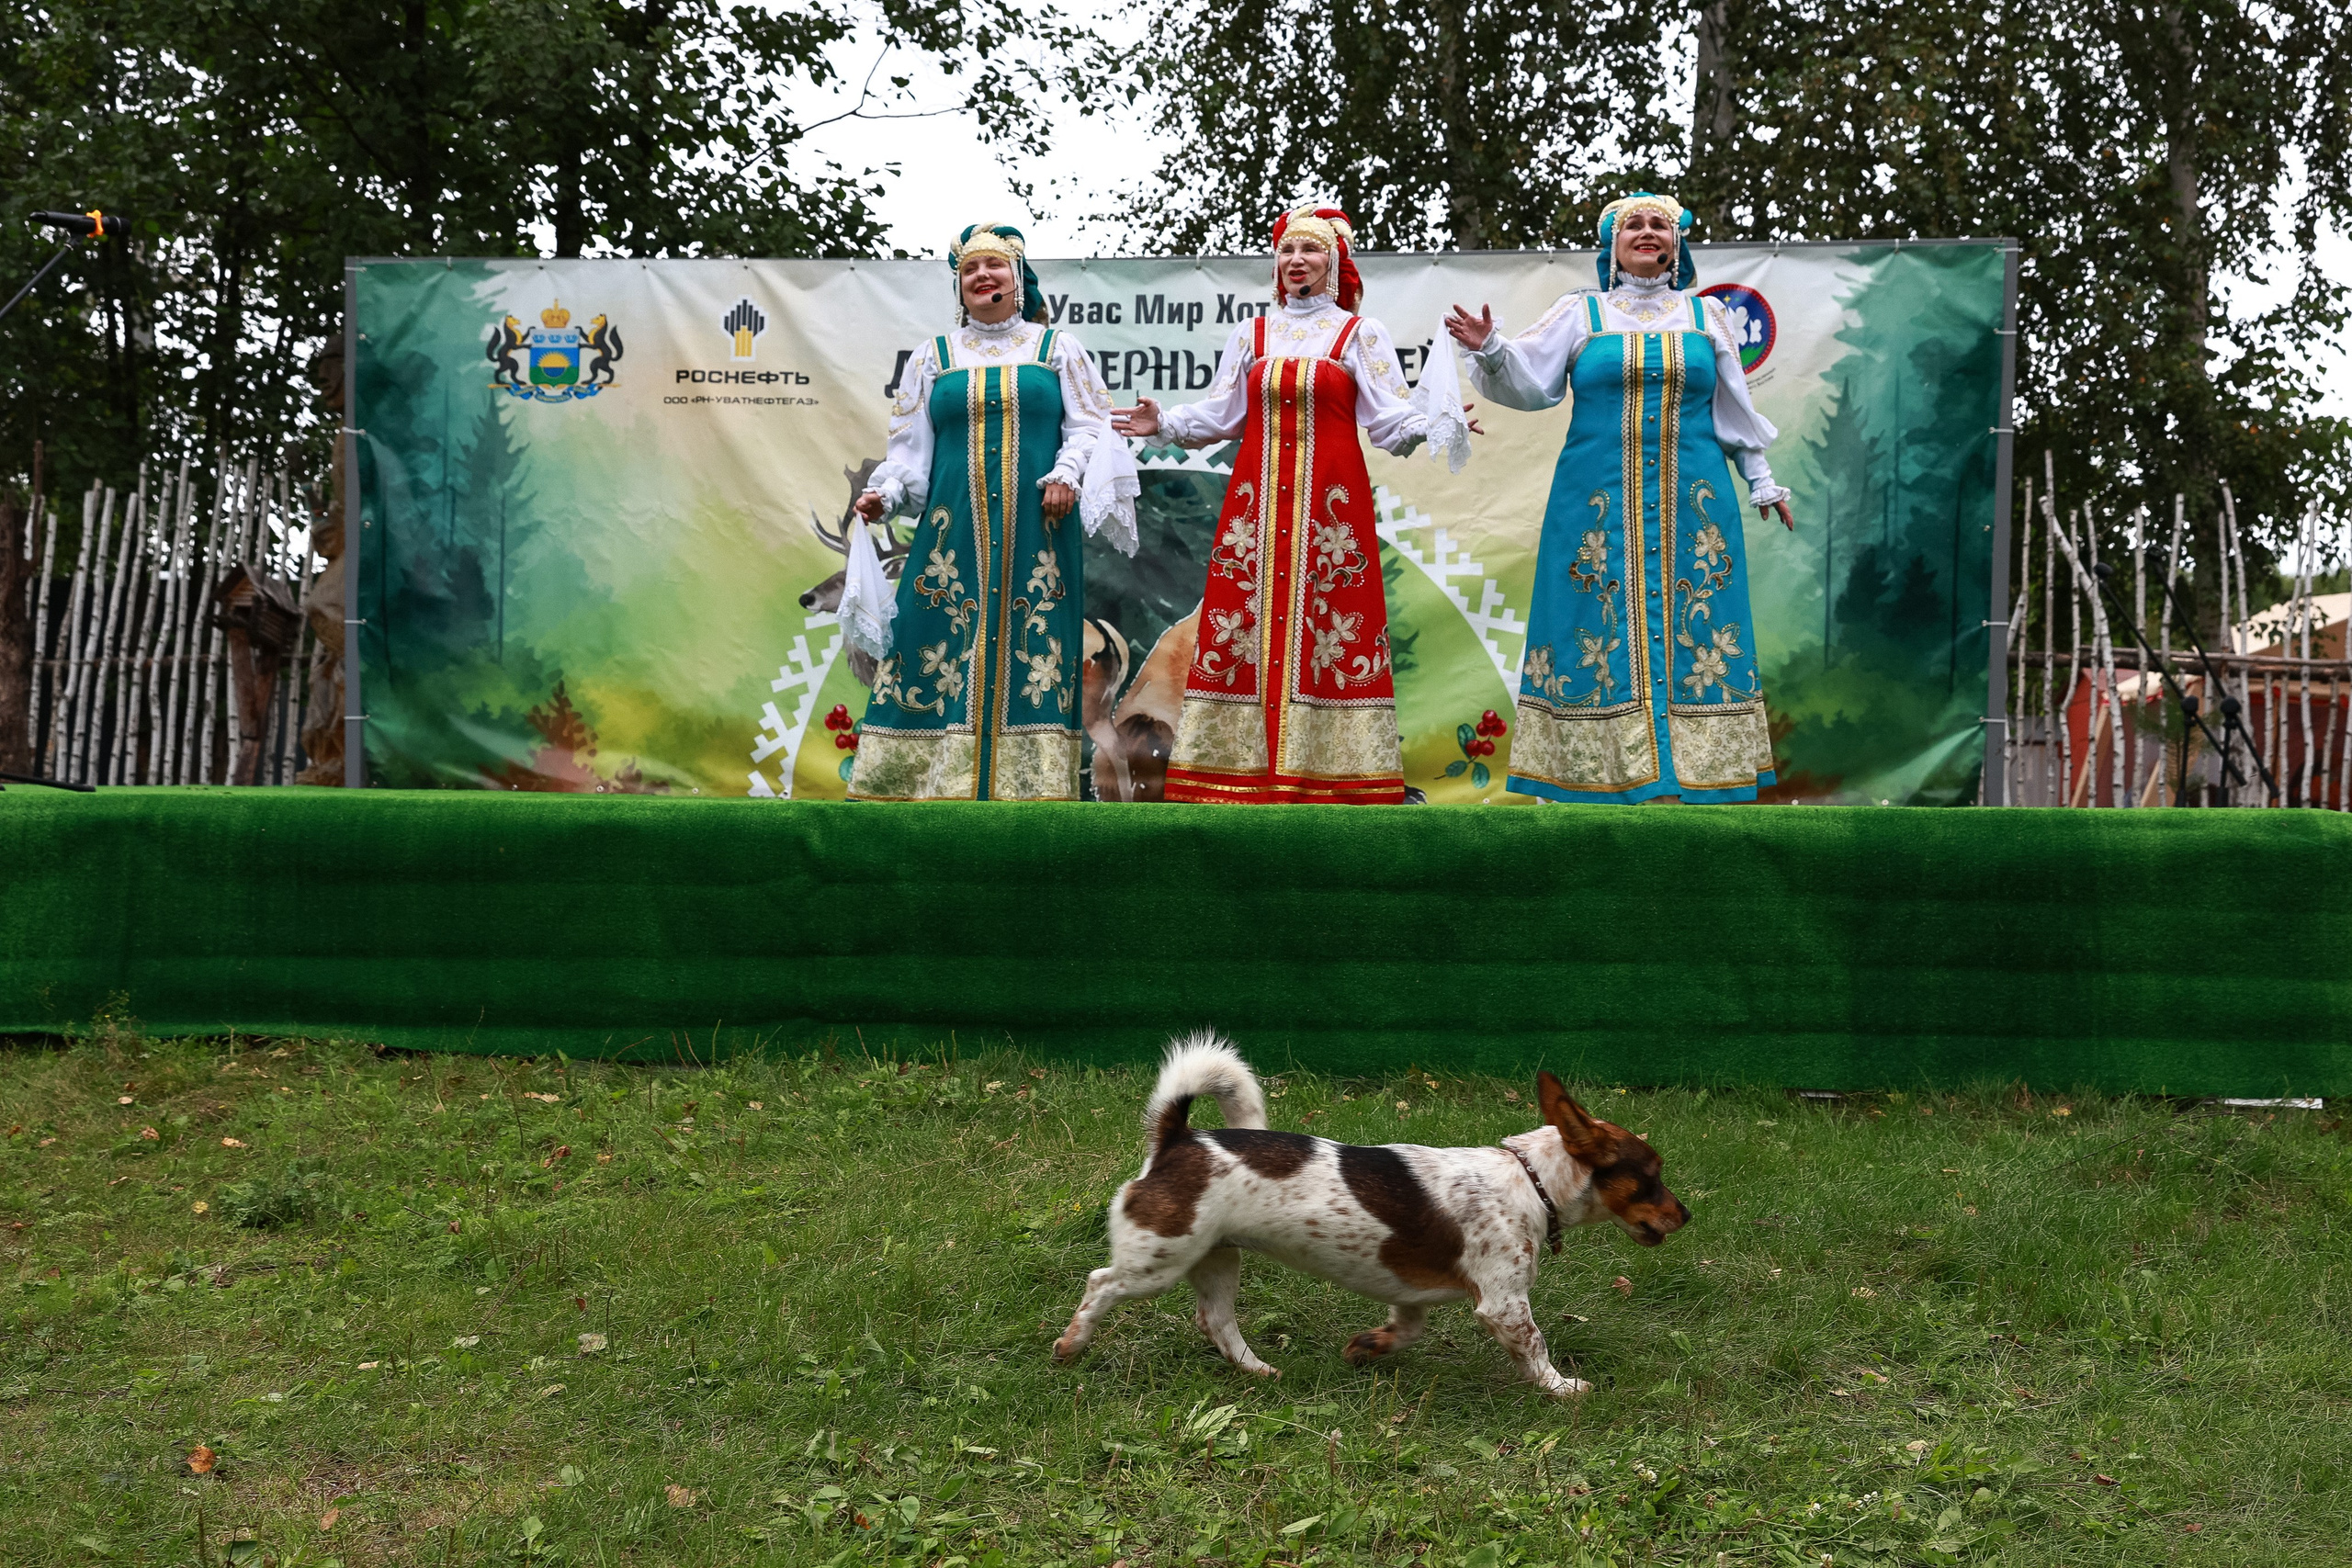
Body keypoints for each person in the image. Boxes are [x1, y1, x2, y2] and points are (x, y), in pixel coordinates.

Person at [1444, 191, 1792, 805]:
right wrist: (1491, 347)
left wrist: (1761, 478)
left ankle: (1698, 780)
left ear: (1676, 245)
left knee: (1703, 625)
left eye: (1660, 224)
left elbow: (1734, 409)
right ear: (1612, 245)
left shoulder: (1705, 317)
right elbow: (1529, 381)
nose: (1648, 232)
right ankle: (1589, 778)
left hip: (1695, 505)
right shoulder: (1582, 314)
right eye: (1634, 225)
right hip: (1594, 504)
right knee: (1591, 624)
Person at [1114, 205, 1465, 805]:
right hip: (1255, 513)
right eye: (1286, 251)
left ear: (1334, 262)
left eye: (1310, 250)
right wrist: (1165, 422)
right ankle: (1233, 775)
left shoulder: (1359, 334)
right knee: (1241, 625)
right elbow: (1220, 414)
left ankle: (1333, 775)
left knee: (1332, 625)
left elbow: (1388, 417)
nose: (1296, 260)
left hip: (1331, 515)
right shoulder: (1251, 334)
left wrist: (1434, 421)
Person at [841, 221, 1130, 801]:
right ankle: (914, 785)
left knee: (1035, 641)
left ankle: (1030, 790)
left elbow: (1095, 428)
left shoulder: (1058, 350)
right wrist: (885, 494)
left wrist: (1066, 472)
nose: (982, 276)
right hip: (951, 533)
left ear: (1019, 279)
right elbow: (909, 455)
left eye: (994, 266)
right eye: (970, 270)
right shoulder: (934, 358)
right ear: (959, 287)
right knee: (932, 640)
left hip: (1038, 528)